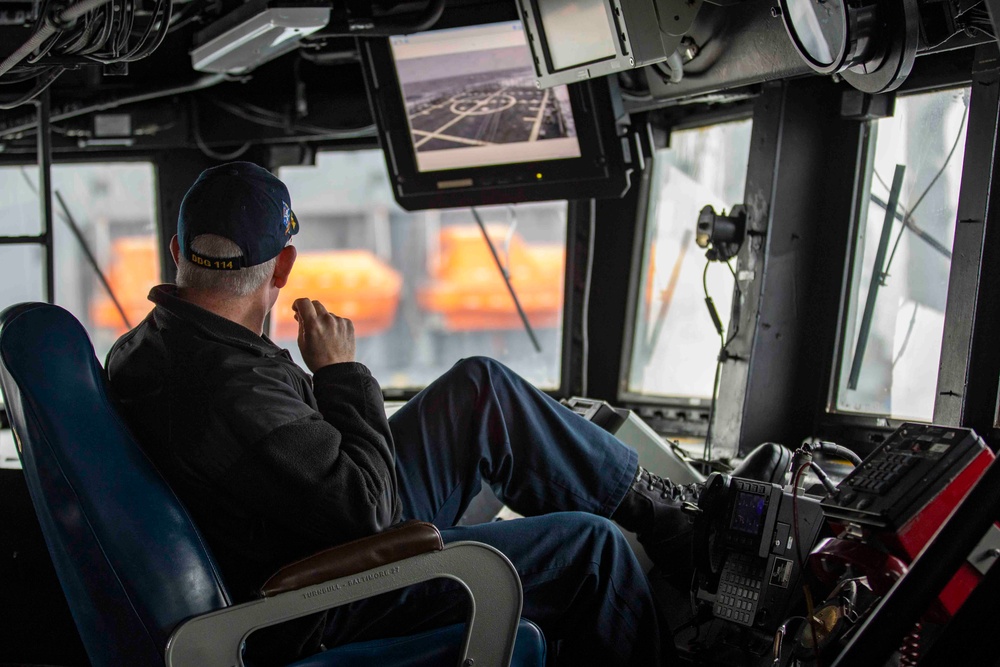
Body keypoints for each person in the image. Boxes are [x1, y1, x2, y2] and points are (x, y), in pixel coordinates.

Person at [106, 162, 783, 666]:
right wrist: (340, 372)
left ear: (176, 254)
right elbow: (368, 510)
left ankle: (673, 523)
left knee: (478, 389)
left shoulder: (152, 345)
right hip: (325, 589)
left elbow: (306, 471)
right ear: (281, 267)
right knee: (594, 551)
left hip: (308, 522)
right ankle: (675, 540)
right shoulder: (232, 387)